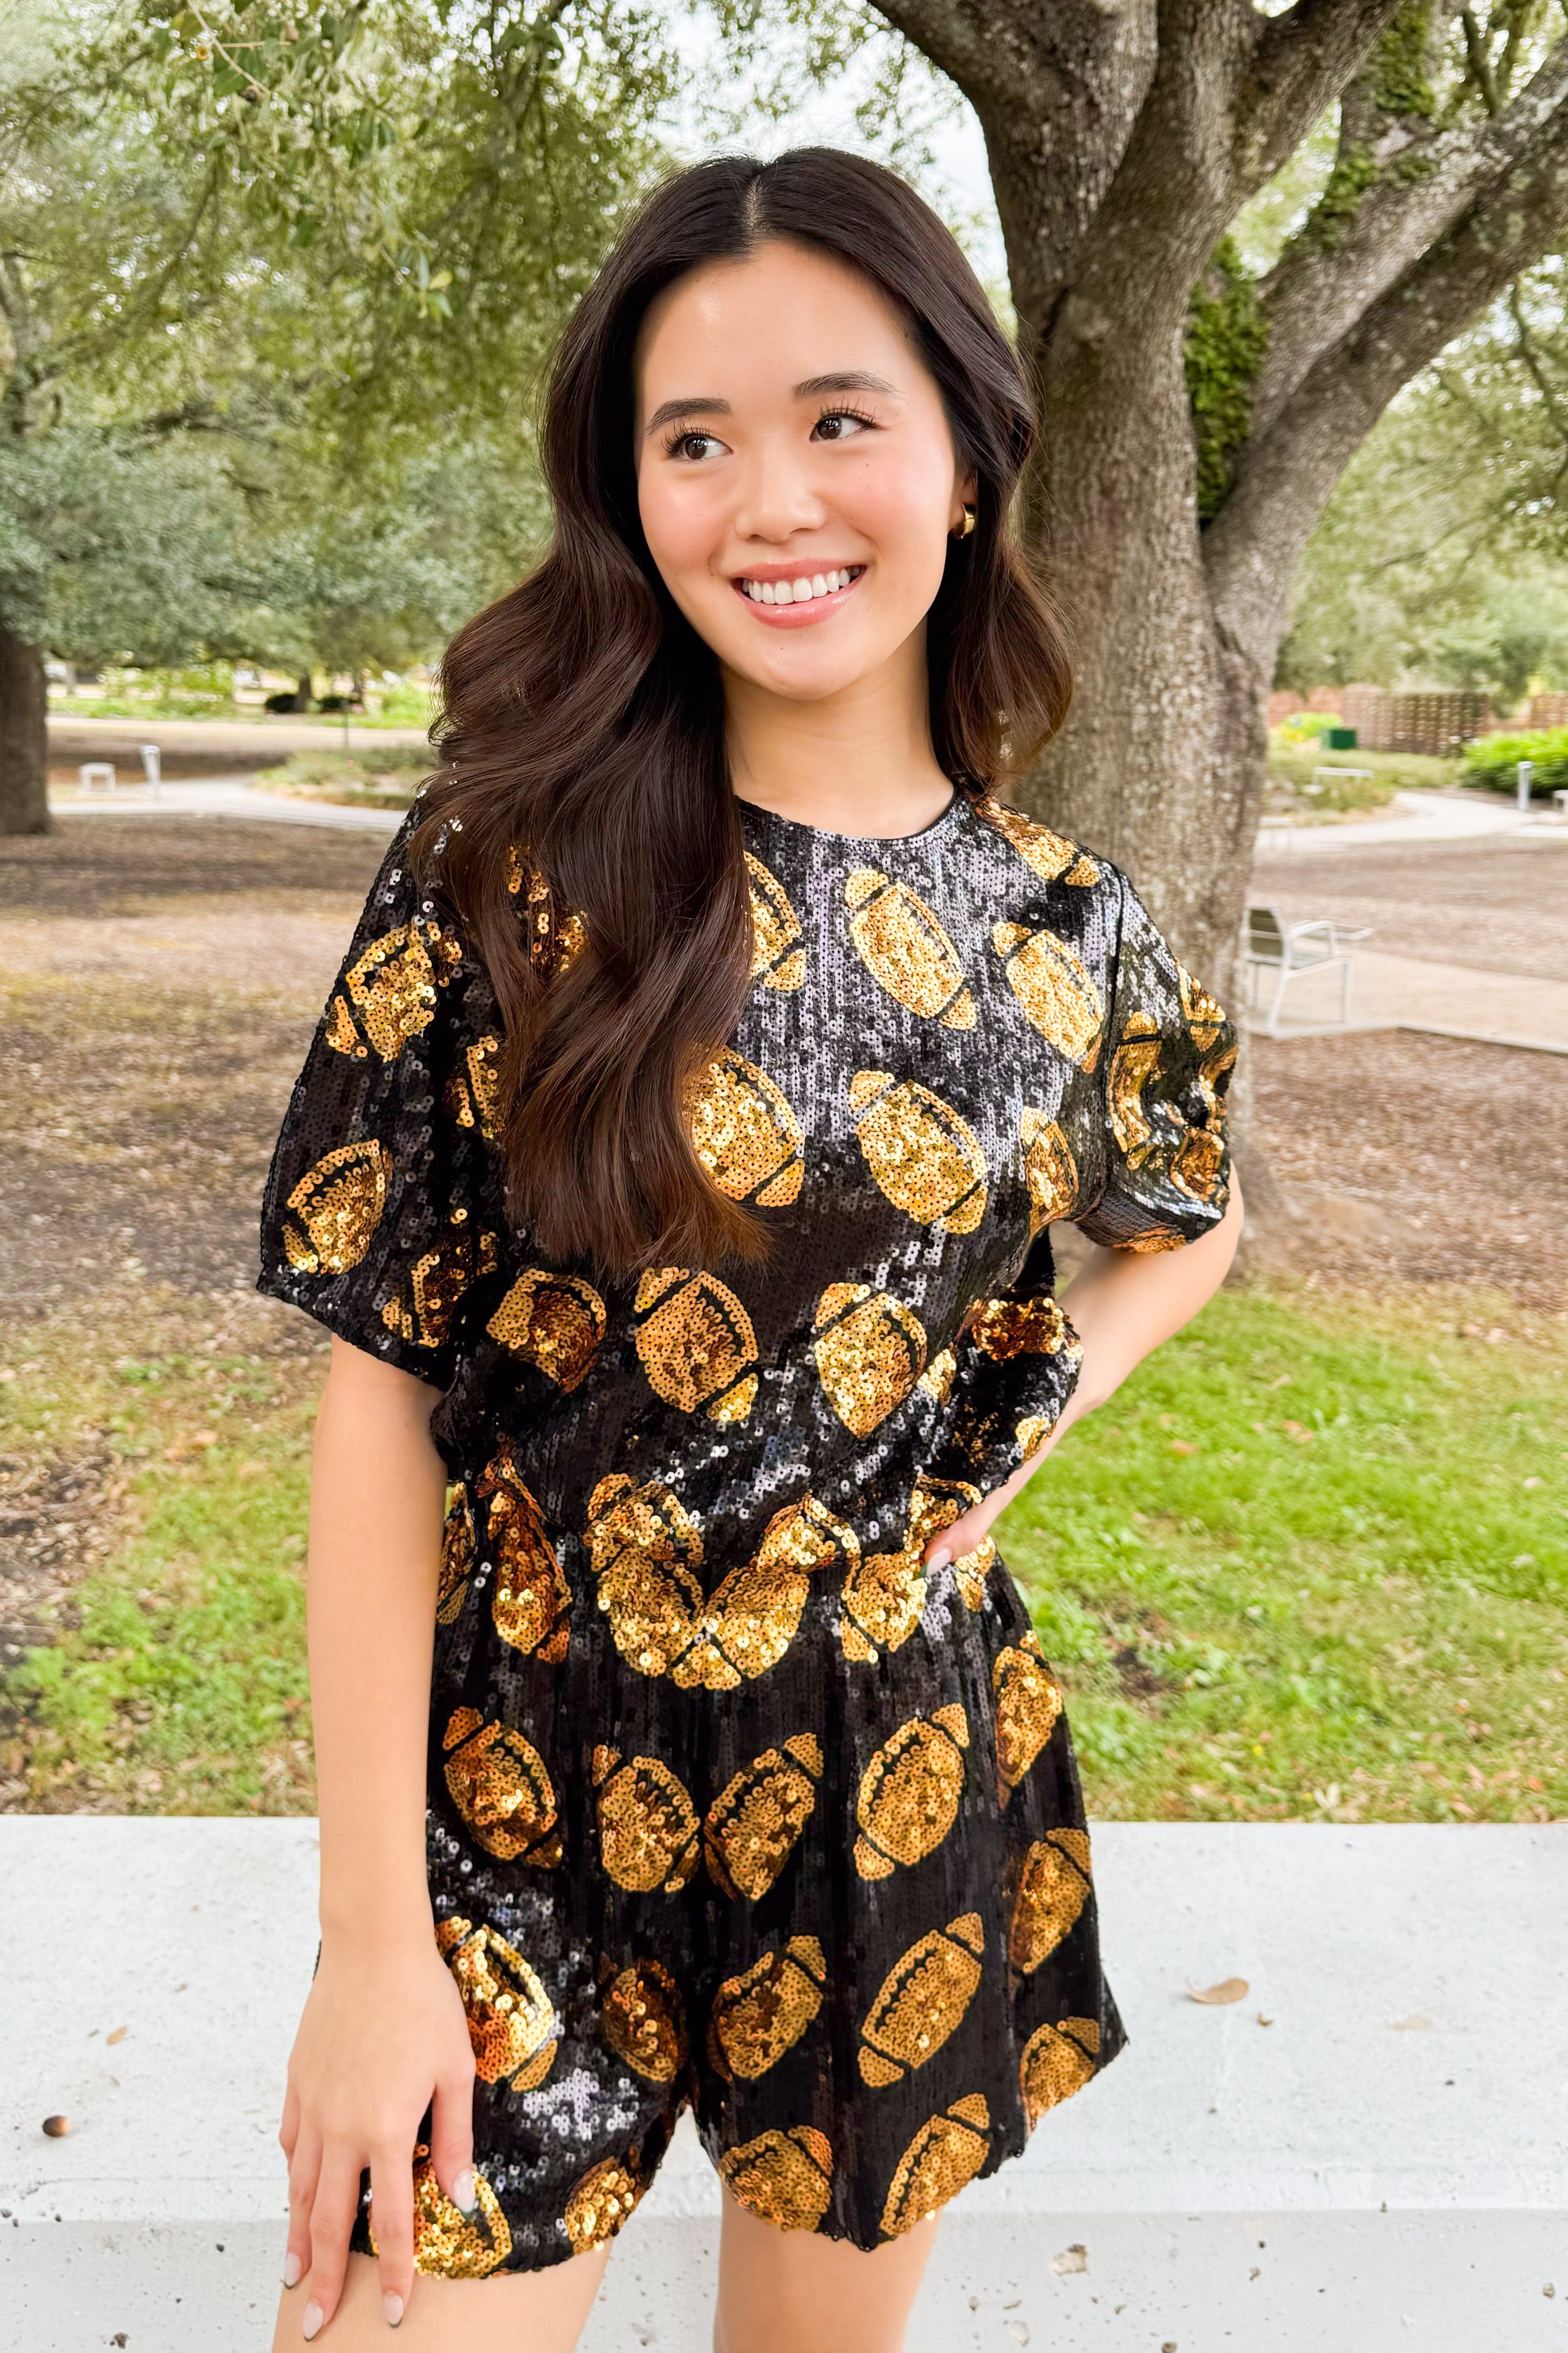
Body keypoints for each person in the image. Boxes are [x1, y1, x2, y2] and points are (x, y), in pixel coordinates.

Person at [258, 147, 1242, 2353]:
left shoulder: (1078, 930)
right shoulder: (498, 870)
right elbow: (379, 1389)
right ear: (631, 492)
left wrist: (1007, 1431)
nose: (767, 499)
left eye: (836, 418)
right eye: (690, 439)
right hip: (518, 1787)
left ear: (967, 458)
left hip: (894, 1774)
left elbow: (1189, 1219)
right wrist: (366, 1945)